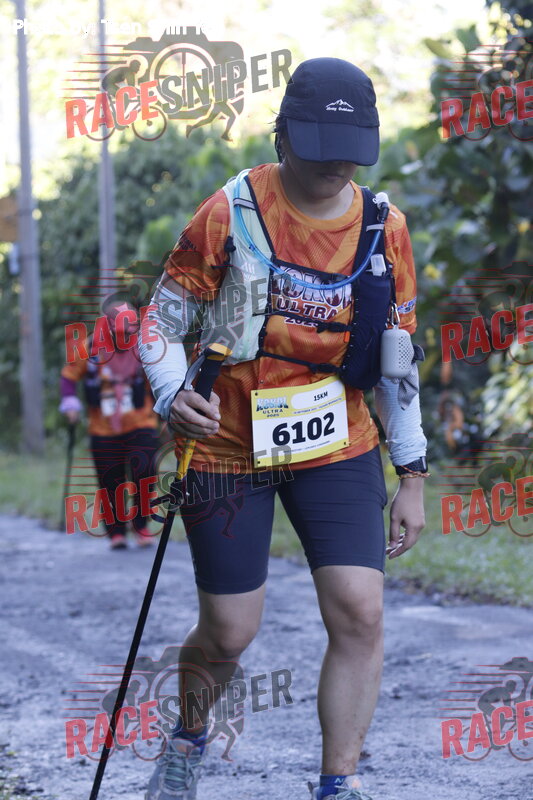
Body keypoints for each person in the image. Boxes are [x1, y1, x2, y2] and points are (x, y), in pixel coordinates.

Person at [140, 57, 428, 800]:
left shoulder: (384, 229)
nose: (336, 165)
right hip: (227, 445)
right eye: (319, 146)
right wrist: (173, 394)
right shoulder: (230, 213)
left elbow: (397, 359)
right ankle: (188, 738)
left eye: (350, 150)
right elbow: (158, 325)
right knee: (230, 632)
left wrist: (412, 473)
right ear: (282, 137)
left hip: (336, 441)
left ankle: (339, 783)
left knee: (360, 611)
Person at [60, 294, 160, 549]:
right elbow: (69, 376)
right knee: (110, 479)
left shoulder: (144, 346)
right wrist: (70, 403)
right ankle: (116, 532)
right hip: (102, 427)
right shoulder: (89, 347)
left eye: (129, 333)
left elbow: (160, 378)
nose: (124, 338)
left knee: (145, 471)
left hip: (141, 421)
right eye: (118, 334)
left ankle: (141, 526)